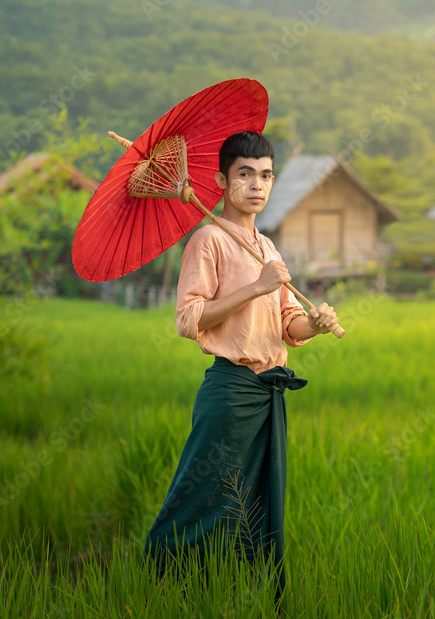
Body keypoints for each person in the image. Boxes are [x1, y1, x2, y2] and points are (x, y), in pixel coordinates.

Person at [144, 131, 338, 605]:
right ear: (221, 180)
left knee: (252, 506)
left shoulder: (267, 248)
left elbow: (288, 325)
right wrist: (255, 287)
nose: (257, 185)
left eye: (266, 175)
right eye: (245, 174)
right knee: (199, 499)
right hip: (230, 393)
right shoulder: (208, 240)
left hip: (267, 396)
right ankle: (155, 585)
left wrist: (314, 322)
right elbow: (188, 319)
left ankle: (232, 593)